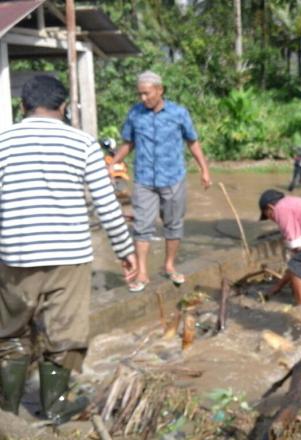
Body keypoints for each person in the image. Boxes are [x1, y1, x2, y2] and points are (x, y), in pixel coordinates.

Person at [0, 75, 137, 421]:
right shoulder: (83, 144)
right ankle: (56, 406)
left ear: (23, 107)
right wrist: (125, 250)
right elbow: (106, 205)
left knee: (11, 333)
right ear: (63, 108)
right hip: (68, 257)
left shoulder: (2, 142)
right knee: (65, 334)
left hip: (14, 254)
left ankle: (7, 410)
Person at [110, 71, 211, 292]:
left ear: (159, 90)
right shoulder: (135, 114)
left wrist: (204, 170)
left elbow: (192, 142)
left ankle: (169, 265)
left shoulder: (178, 113)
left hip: (173, 178)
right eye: (140, 94)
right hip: (144, 179)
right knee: (142, 226)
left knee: (173, 224)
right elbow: (128, 143)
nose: (143, 99)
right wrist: (112, 164)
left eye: (147, 94)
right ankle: (143, 273)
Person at [259, 189, 301, 305]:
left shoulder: (280, 208)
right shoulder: (292, 202)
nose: (273, 220)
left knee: (298, 267)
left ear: (270, 208)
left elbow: (298, 253)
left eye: (268, 216)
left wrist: (278, 286)